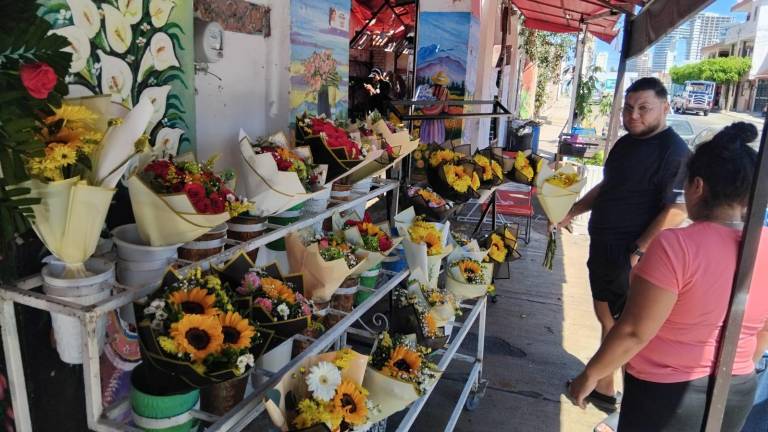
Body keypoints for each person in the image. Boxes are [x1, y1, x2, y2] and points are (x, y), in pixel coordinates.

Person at [568, 122, 768, 432]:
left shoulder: (677, 245)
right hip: (738, 388)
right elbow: (763, 333)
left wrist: (591, 374)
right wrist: (739, 369)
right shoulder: (764, 244)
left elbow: (635, 331)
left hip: (665, 392)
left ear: (697, 186)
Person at [558, 77, 691, 413]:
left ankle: (627, 399)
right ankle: (604, 388)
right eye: (629, 108)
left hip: (630, 255)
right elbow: (608, 187)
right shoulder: (625, 144)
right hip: (604, 246)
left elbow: (677, 209)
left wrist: (639, 250)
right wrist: (573, 209)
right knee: (607, 318)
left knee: (626, 328)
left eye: (643, 108)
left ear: (665, 107)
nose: (634, 115)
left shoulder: (673, 151)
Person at [418, 71, 450, 145]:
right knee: (437, 138)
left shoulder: (430, 89)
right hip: (438, 120)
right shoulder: (446, 92)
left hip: (427, 119)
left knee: (426, 138)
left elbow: (424, 103)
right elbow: (445, 109)